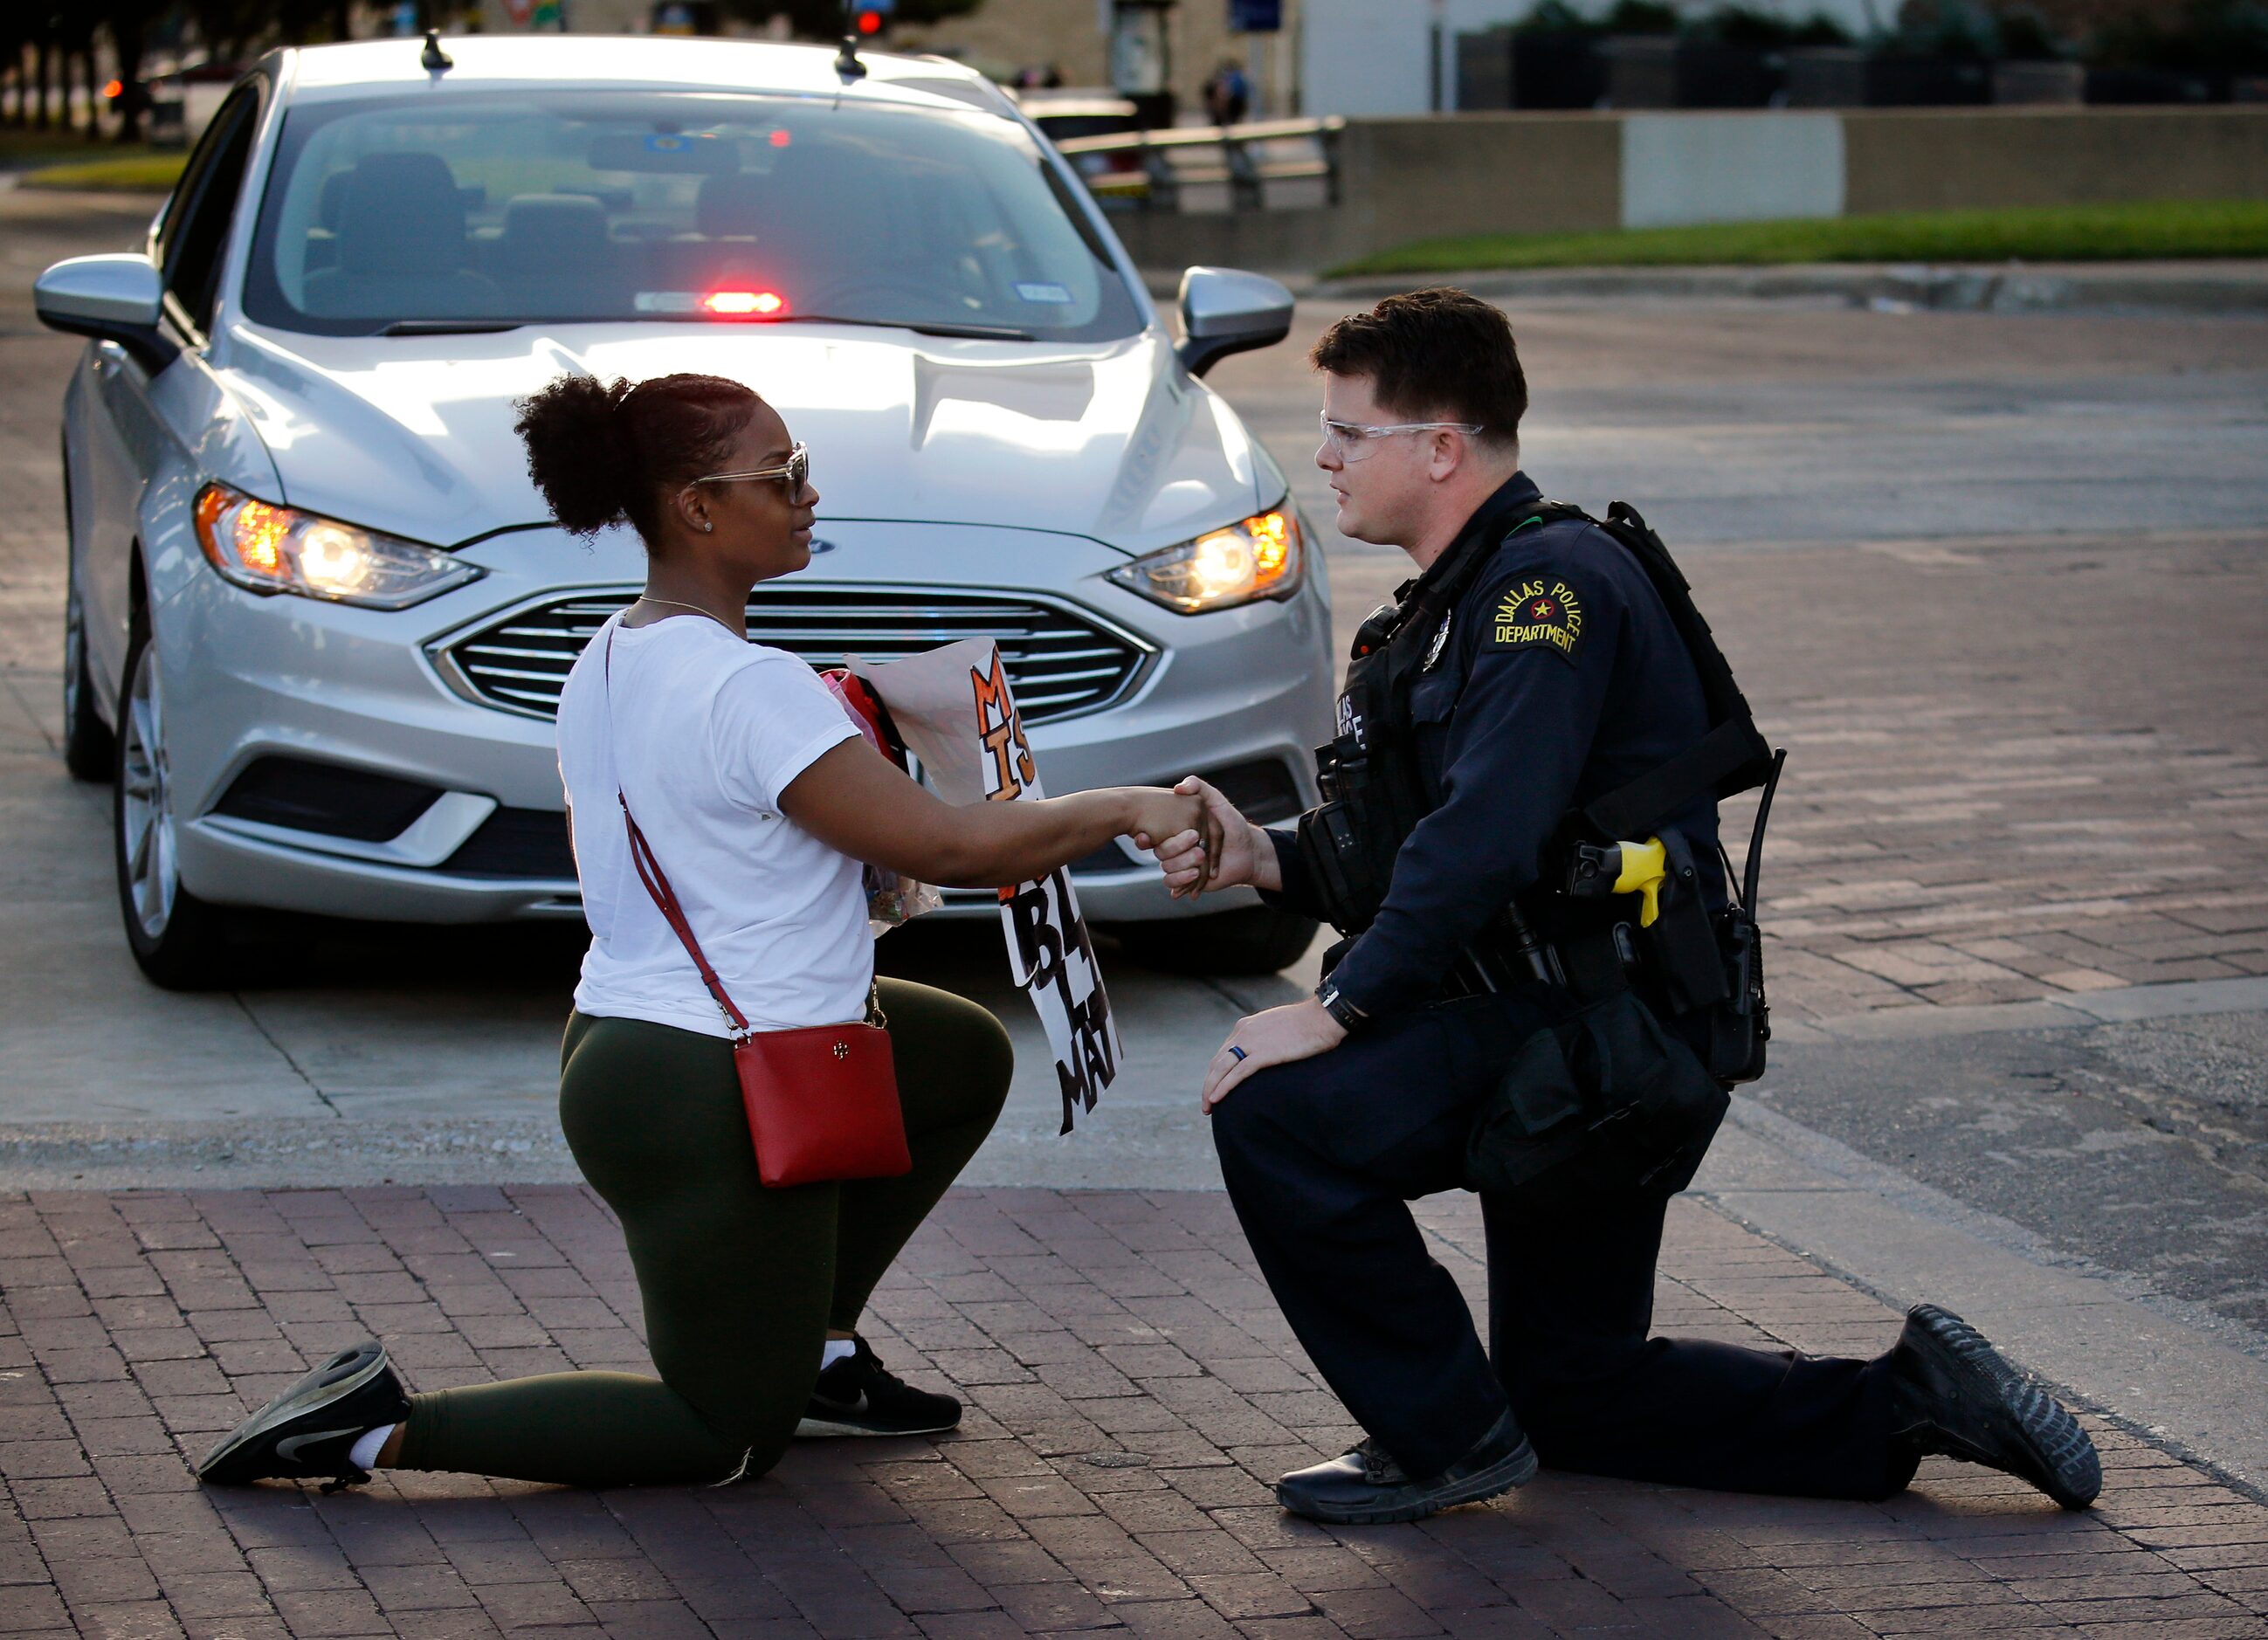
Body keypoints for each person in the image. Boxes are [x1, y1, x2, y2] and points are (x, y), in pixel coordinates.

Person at [1155, 289, 2101, 1526]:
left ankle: (1440, 1440)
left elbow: (1487, 836)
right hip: (1566, 1031)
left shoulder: (1545, 589)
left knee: (1278, 1113)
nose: (1321, 458)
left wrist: (1335, 1007)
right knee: (1577, 1390)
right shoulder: (1449, 610)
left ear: (1439, 447)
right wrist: (1263, 859)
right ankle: (1911, 1399)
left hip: (1587, 1038)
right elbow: (1423, 843)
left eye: (1347, 431)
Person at [197, 372, 1218, 1492]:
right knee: (722, 1434)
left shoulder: (608, 655)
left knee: (954, 1053)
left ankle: (818, 1355)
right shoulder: (751, 689)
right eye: (782, 477)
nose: (808, 494)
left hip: (629, 1042)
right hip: (711, 1081)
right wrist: (1128, 807)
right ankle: (376, 1428)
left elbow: (738, 829)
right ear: (694, 506)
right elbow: (954, 850)